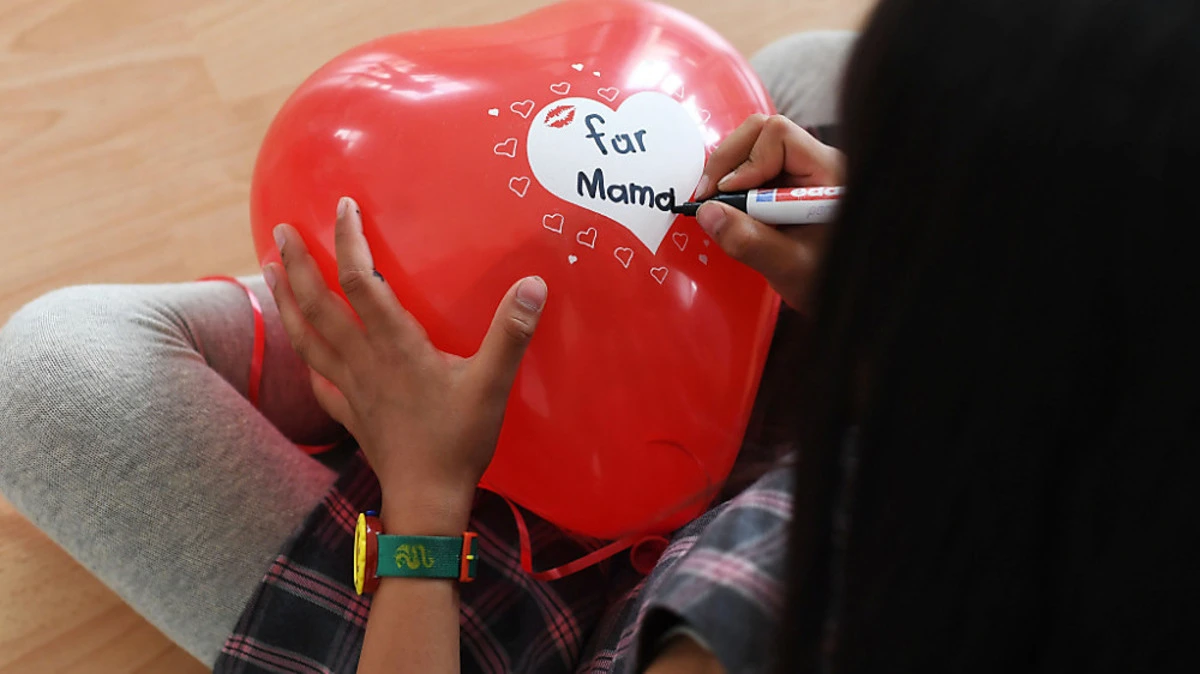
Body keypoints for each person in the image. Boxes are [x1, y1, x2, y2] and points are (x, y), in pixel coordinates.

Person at [0, 30, 855, 674]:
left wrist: (423, 498)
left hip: (476, 599)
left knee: (49, 370)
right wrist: (875, 277)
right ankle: (410, 288)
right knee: (809, 69)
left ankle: (386, 302)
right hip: (774, 384)